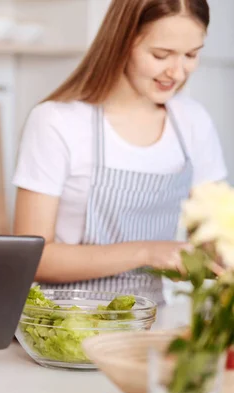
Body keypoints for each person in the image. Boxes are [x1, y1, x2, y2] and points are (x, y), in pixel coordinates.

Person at [12, 0, 227, 305]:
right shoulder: (57, 121)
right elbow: (33, 257)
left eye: (191, 55)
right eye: (160, 55)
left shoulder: (192, 121)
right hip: (67, 325)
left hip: (150, 321)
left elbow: (216, 233)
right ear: (122, 41)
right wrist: (147, 252)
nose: (177, 72)